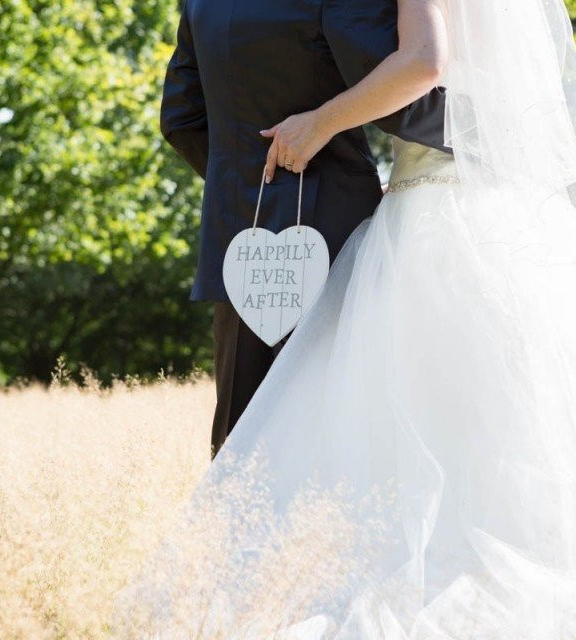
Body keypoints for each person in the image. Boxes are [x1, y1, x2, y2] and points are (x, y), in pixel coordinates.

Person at [115, 0, 576, 636]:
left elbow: (417, 66)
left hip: (368, 215)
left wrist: (314, 129)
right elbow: (415, 77)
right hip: (496, 208)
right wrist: (495, 141)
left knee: (296, 428)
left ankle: (251, 591)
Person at [159, 0, 451, 459]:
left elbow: (180, 120)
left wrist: (254, 186)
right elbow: (400, 102)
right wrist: (482, 135)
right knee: (332, 429)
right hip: (336, 233)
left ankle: (232, 529)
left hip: (241, 236)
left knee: (243, 431)